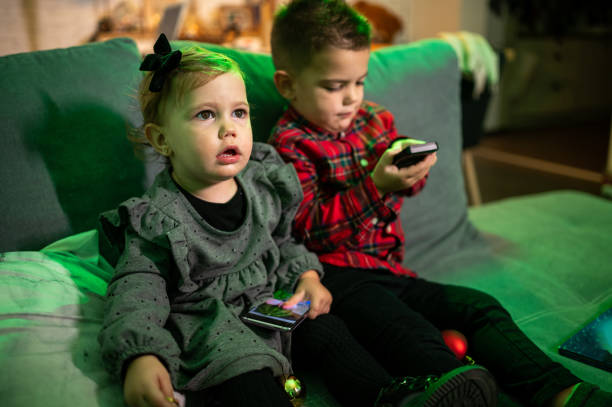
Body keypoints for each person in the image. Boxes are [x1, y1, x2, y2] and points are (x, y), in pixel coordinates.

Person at [97, 33, 496, 407]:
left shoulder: (261, 181)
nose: (228, 129)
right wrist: (140, 355)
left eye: (239, 112)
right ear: (162, 139)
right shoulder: (157, 220)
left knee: (329, 332)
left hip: (271, 305)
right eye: (205, 115)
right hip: (213, 331)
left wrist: (307, 277)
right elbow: (136, 292)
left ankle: (388, 397)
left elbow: (284, 242)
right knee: (246, 375)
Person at [268, 1, 612, 407]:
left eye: (359, 82)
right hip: (335, 277)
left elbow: (404, 189)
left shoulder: (375, 120)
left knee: (479, 307)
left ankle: (561, 391)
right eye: (333, 86)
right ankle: (455, 388)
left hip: (390, 270)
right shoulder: (288, 145)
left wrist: (409, 172)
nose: (351, 99)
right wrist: (375, 186)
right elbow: (307, 230)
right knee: (404, 328)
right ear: (288, 85)